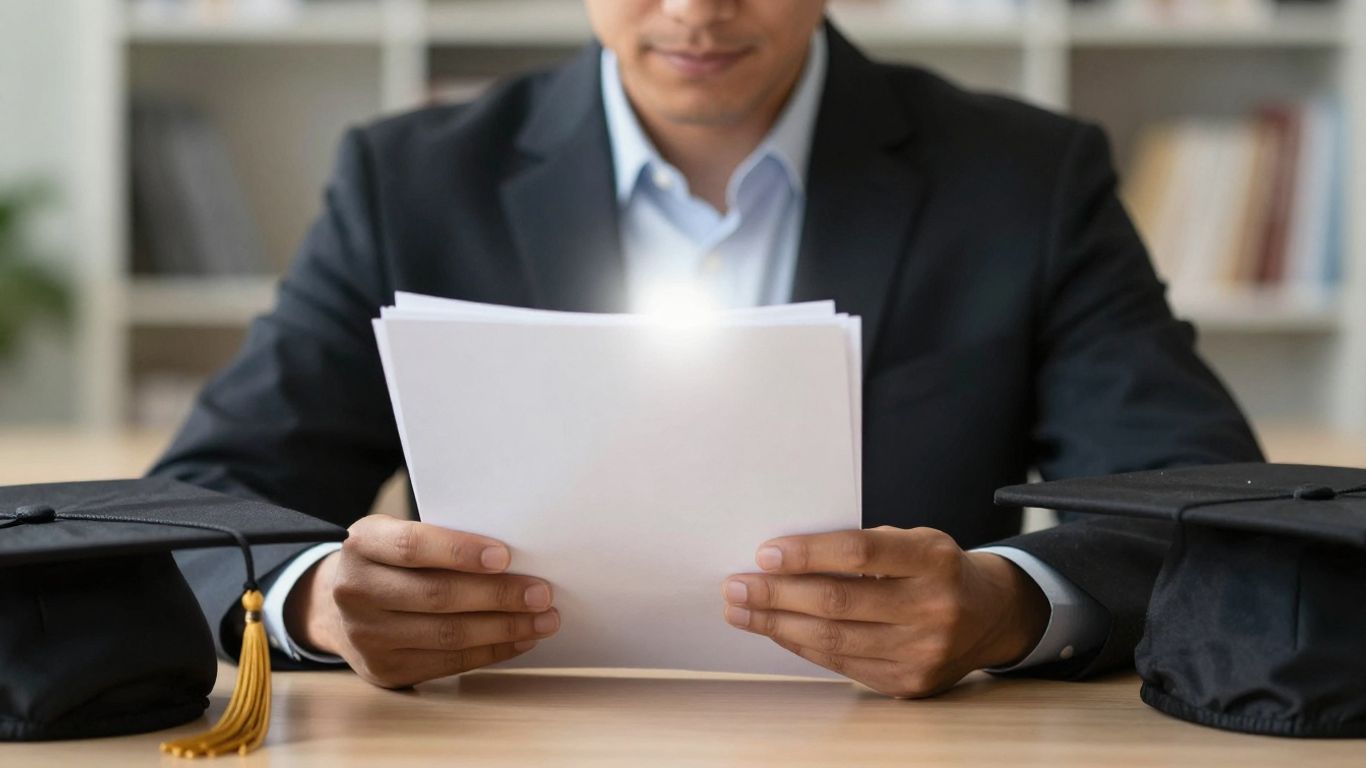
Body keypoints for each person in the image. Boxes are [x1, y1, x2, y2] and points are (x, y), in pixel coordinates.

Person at [152, 0, 1262, 697]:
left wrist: (1009, 606)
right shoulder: (408, 181)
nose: (696, 10)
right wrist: (318, 602)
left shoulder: (1026, 178)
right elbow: (202, 504)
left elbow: (1197, 498)